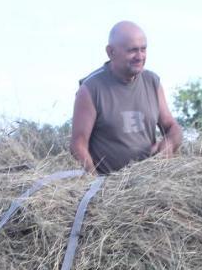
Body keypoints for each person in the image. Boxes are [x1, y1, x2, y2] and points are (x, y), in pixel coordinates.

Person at [71, 21, 183, 175]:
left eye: (143, 49)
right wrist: (95, 183)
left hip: (151, 183)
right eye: (132, 51)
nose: (140, 56)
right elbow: (78, 145)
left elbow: (172, 127)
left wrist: (169, 145)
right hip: (110, 187)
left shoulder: (152, 82)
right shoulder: (91, 89)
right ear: (111, 52)